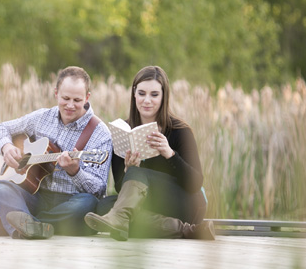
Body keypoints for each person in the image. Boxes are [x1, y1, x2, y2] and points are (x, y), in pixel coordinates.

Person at [0, 66, 112, 239]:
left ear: (87, 97)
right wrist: (7, 147)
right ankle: (28, 224)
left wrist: (75, 172)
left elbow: (99, 189)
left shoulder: (100, 133)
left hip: (70, 202)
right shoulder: (41, 118)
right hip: (36, 197)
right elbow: (2, 128)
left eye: (77, 100)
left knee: (88, 203)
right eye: (65, 98)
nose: (70, 105)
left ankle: (20, 225)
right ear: (56, 93)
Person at [84, 65, 214, 241]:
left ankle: (122, 221)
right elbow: (122, 191)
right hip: (148, 205)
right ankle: (188, 230)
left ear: (163, 97)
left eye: (154, 95)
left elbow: (195, 184)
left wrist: (170, 154)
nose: (147, 100)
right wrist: (127, 169)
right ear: (134, 94)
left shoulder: (179, 130)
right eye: (142, 93)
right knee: (104, 207)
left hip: (185, 201)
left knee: (121, 206)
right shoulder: (122, 131)